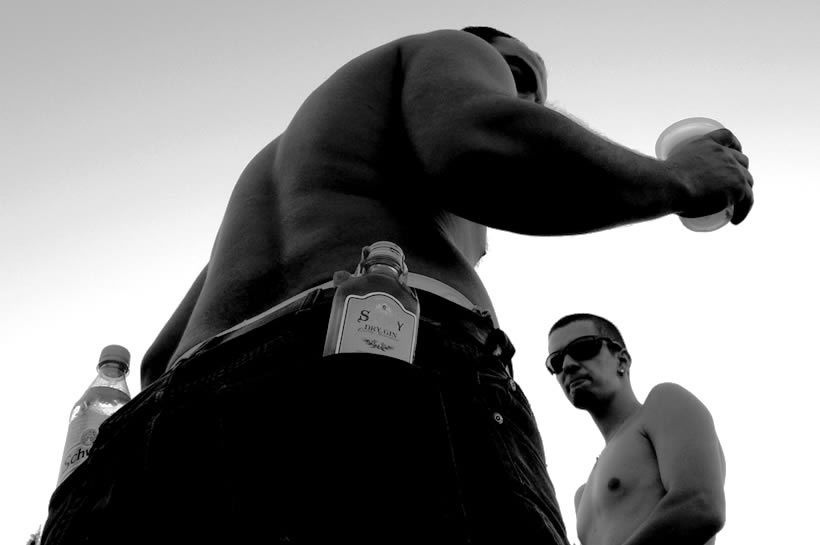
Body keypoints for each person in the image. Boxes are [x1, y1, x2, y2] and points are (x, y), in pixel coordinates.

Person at [42, 26, 751, 545]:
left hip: (167, 432)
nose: (533, 104)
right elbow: (476, 144)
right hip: (377, 370)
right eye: (523, 83)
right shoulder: (452, 50)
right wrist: (678, 179)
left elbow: (162, 357)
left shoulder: (288, 164)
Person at [547, 314, 726, 545]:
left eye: (583, 348)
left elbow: (700, 505)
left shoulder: (663, 404)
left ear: (621, 360)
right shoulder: (581, 498)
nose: (568, 365)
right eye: (556, 361)